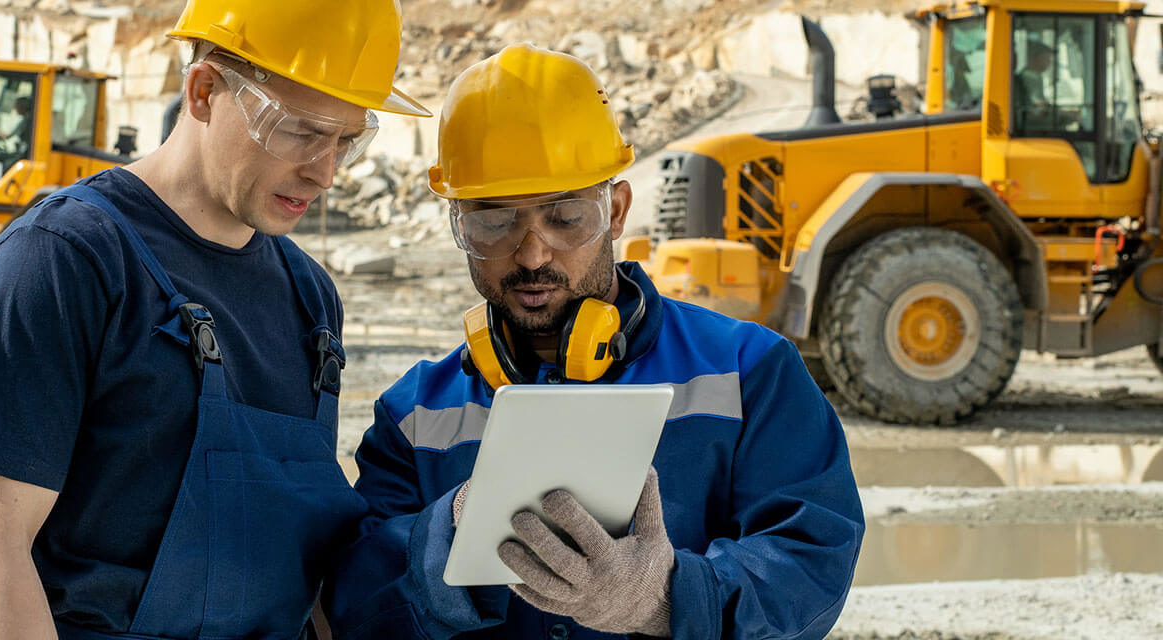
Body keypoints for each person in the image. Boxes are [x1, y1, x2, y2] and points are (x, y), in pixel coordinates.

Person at [326, 44, 864, 640]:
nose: (532, 254)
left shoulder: (749, 372)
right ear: (458, 226)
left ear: (616, 213)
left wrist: (667, 600)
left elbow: (813, 561)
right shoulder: (414, 415)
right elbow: (352, 605)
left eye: (564, 216)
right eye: (494, 221)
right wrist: (447, 537)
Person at [0, 0, 429, 638]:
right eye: (300, 130)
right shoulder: (66, 260)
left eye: (346, 140)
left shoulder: (311, 296)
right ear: (205, 90)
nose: (324, 172)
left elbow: (304, 570)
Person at [1014, 40, 1054, 131]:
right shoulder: (1031, 77)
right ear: (1037, 58)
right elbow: (1038, 103)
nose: (1049, 63)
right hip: (1031, 121)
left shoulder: (1033, 75)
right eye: (1047, 59)